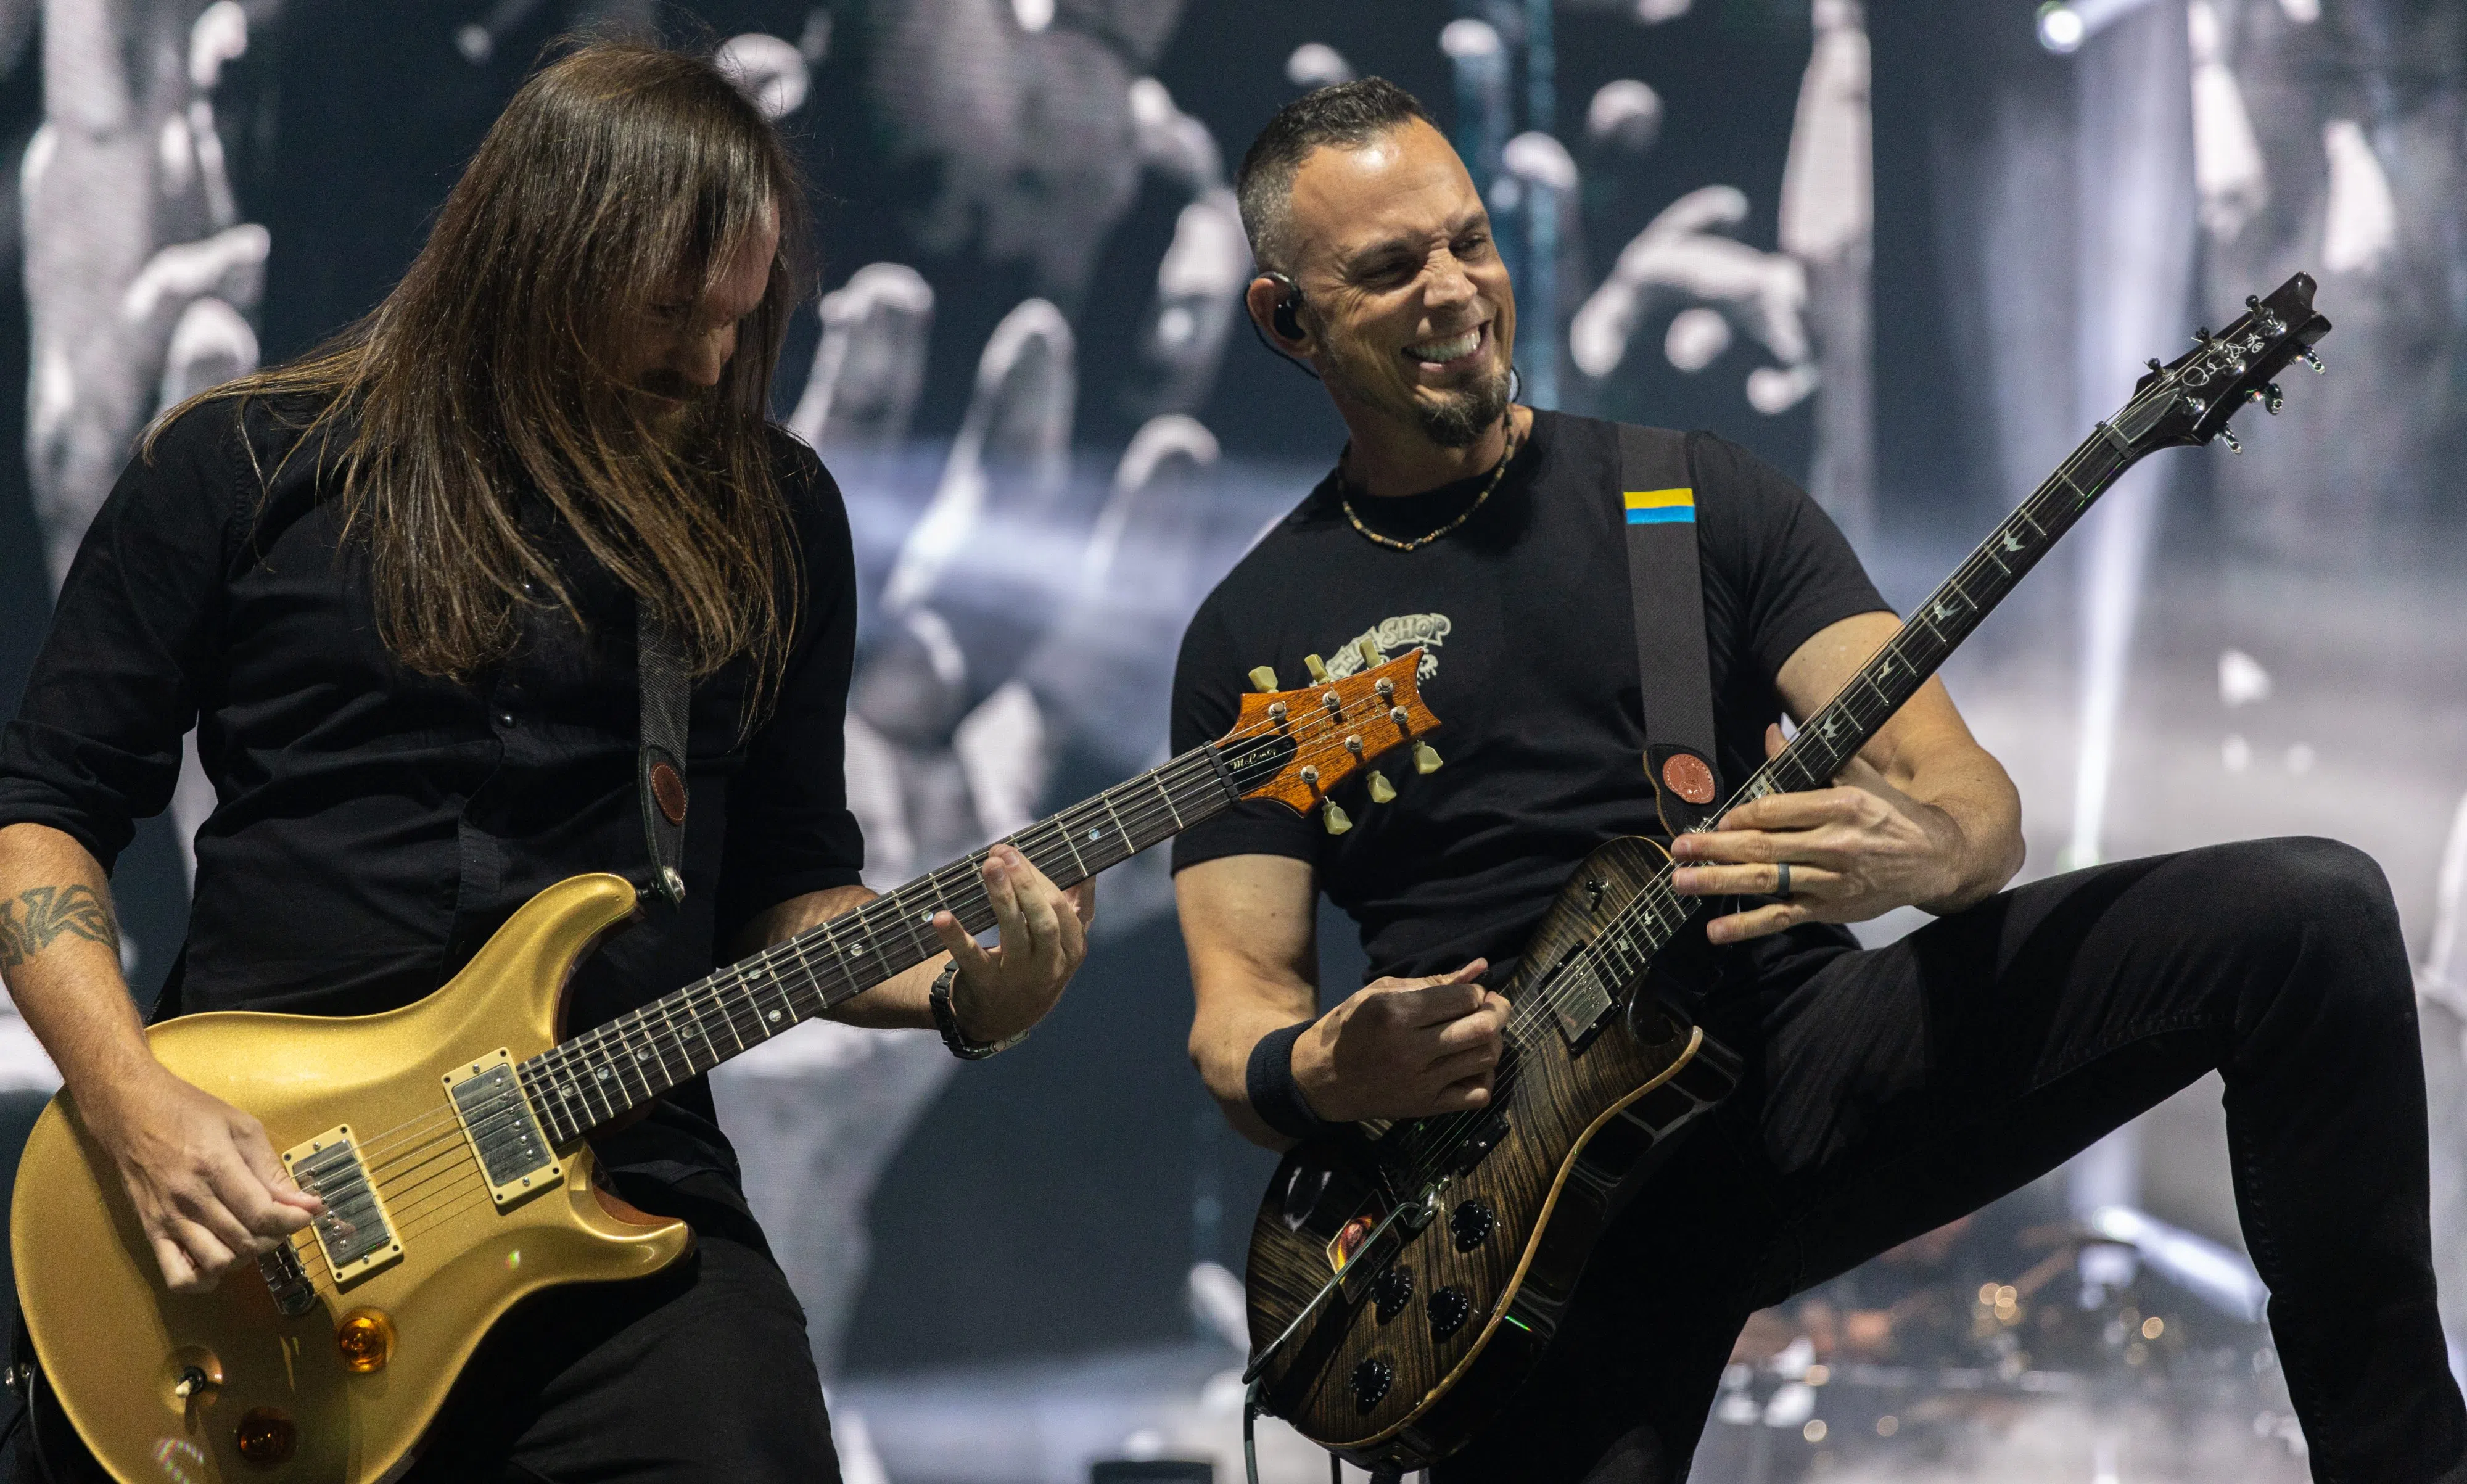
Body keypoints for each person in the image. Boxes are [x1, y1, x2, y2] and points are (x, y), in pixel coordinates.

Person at [1169, 78, 2465, 1483]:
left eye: (1466, 241)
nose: (1452, 290)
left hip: (1793, 1064)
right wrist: (1320, 1067)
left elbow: (1974, 806)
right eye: (1387, 267)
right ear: (1282, 318)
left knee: (2310, 919)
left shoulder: (1689, 501)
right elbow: (1238, 1007)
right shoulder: (1252, 631)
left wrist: (1909, 852)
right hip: (1509, 1205)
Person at [0, 39, 1092, 1483]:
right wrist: (132, 1106)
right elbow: (40, 815)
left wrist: (967, 988)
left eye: (737, 315)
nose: (706, 360)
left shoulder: (769, 517)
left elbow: (789, 895)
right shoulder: (243, 465)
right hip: (261, 1195)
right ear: (536, 258)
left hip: (622, 1189)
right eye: (664, 313)